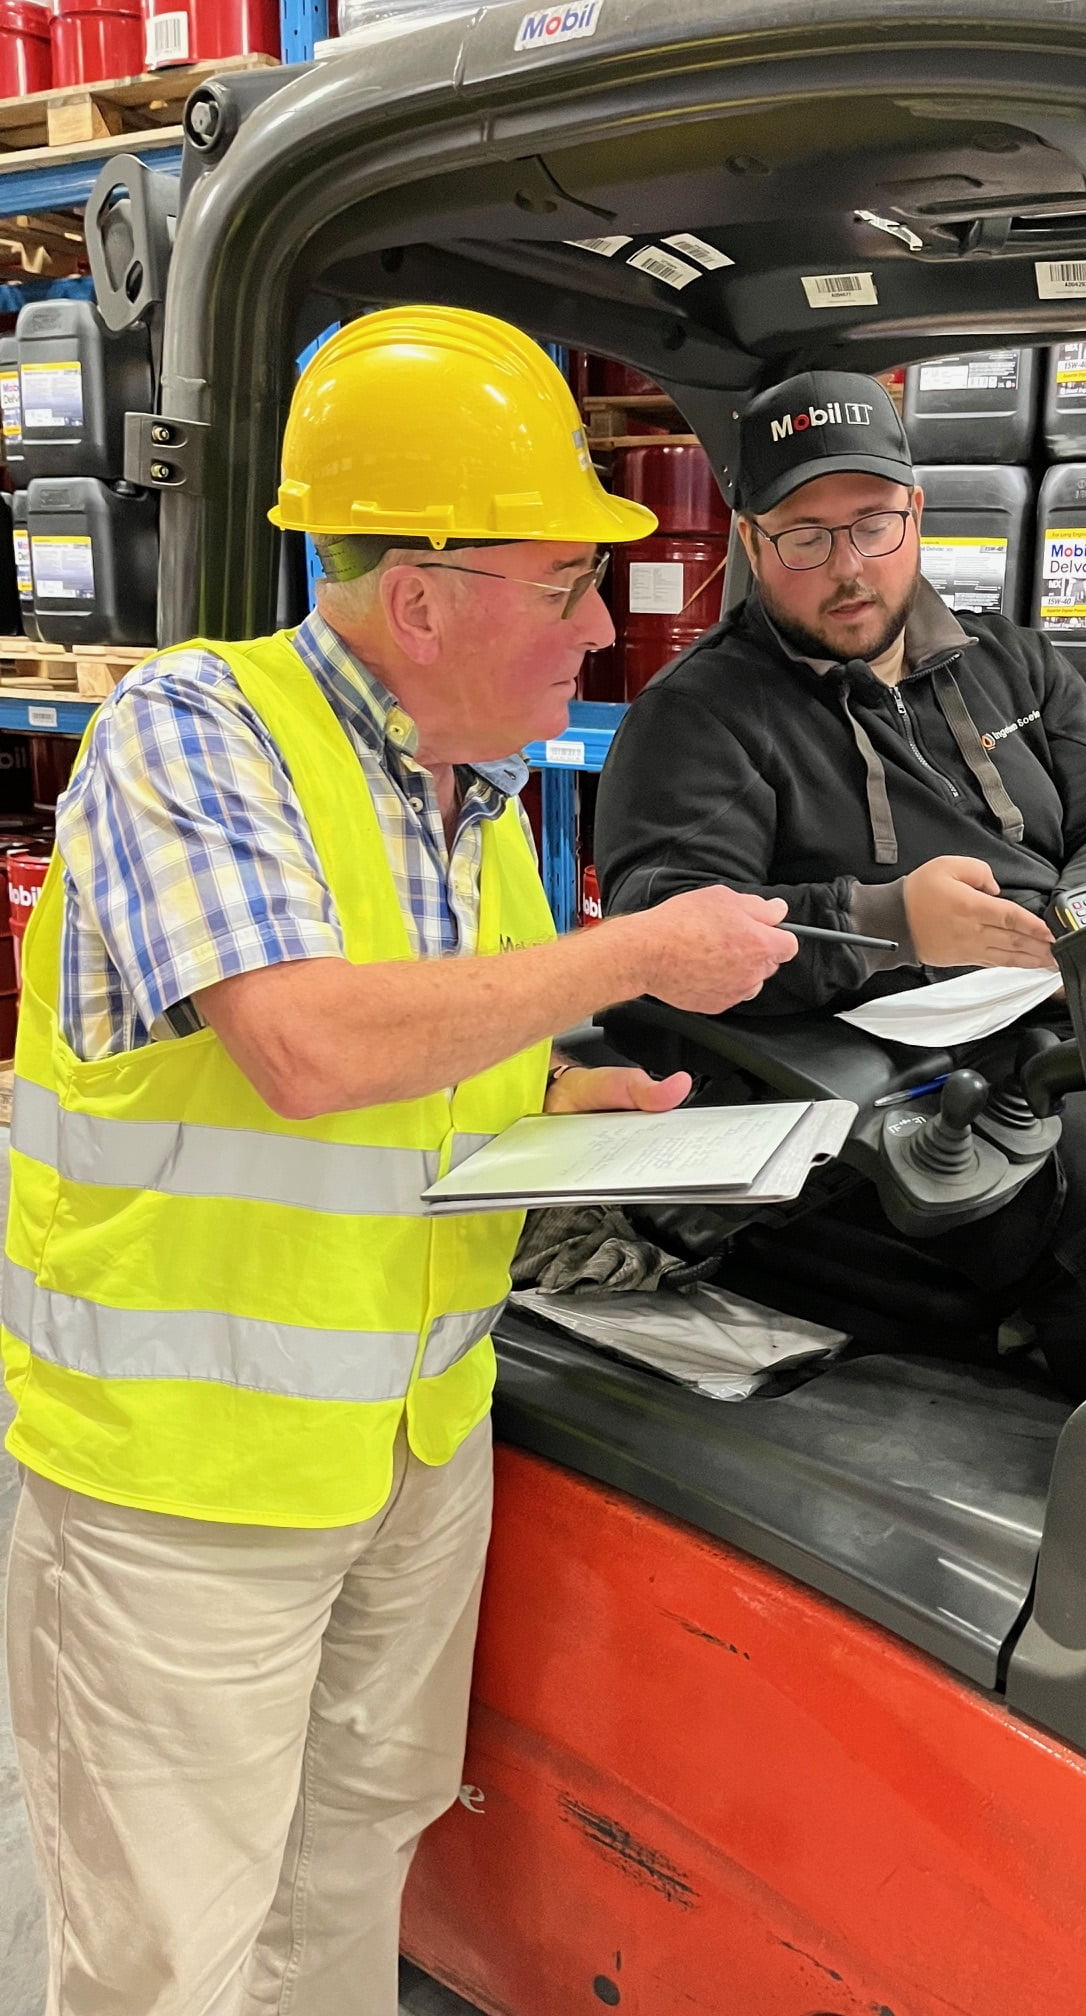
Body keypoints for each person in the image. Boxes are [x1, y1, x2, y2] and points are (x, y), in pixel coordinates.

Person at [2, 308, 796, 2016]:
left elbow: (436, 1057)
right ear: (421, 600)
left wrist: (574, 1098)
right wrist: (634, 954)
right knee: (168, 1949)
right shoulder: (195, 732)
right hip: (190, 1487)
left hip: (414, 1448)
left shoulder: (479, 799)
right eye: (565, 584)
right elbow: (307, 1045)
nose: (604, 626)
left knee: (351, 1863)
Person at [595, 369, 1086, 1396]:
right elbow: (661, 934)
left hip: (1064, 1019)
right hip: (883, 1097)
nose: (849, 568)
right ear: (750, 540)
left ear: (916, 514)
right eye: (806, 536)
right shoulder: (698, 720)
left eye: (873, 525)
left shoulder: (1011, 664)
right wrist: (890, 924)